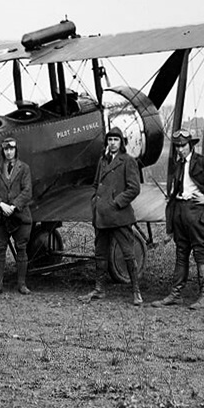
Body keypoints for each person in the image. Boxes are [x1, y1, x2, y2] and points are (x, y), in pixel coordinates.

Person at [152, 129, 204, 309]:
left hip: (197, 212)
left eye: (183, 146)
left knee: (199, 255)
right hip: (180, 211)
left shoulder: (203, 162)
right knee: (181, 255)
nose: (180, 149)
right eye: (177, 146)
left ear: (191, 145)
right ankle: (176, 294)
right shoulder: (178, 164)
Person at [81, 126, 144, 306]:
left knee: (128, 253)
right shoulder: (103, 161)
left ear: (121, 142)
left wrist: (116, 202)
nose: (112, 143)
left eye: (116, 140)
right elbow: (96, 184)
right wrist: (96, 203)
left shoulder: (128, 161)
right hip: (101, 216)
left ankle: (136, 291)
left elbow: (134, 188)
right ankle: (99, 289)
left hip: (119, 216)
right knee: (100, 253)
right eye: (110, 140)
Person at [0, 135, 34, 295]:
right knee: (0, 248)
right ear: (2, 151)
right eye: (6, 149)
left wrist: (13, 206)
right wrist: (1, 204)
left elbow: (27, 191)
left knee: (21, 248)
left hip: (19, 215)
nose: (9, 152)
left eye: (11, 149)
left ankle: (22, 284)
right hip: (0, 215)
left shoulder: (24, 168)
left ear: (16, 150)